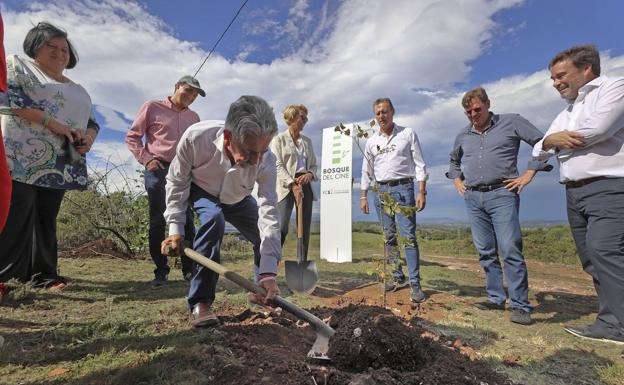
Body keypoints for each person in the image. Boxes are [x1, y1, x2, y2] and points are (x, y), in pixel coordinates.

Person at [161, 95, 281, 327]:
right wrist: (175, 227)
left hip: (238, 198)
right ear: (228, 137)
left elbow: (269, 211)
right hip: (203, 190)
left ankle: (261, 291)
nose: (257, 161)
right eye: (250, 151)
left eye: (263, 152)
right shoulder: (196, 138)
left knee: (267, 233)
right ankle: (200, 302)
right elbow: (177, 181)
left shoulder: (266, 160)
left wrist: (269, 272)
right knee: (213, 219)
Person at [533, 45, 624, 343]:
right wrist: (551, 140)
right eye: (553, 78)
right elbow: (538, 151)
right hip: (574, 192)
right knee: (591, 258)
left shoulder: (614, 88)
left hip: (608, 187)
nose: (556, 83)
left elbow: (596, 130)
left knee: (605, 251)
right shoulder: (567, 111)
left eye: (561, 75)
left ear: (586, 69)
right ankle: (611, 323)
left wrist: (553, 142)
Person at [0, 22, 99, 290]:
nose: (59, 52)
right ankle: (6, 277)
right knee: (15, 214)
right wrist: (55, 125)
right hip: (20, 155)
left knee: (46, 217)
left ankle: (44, 275)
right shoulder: (17, 64)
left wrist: (87, 139)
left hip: (61, 162)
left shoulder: (78, 89)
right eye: (50, 46)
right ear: (35, 47)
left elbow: (92, 122)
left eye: (64, 48)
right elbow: (12, 101)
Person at [446, 87, 550, 325]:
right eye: (468, 112)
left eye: (477, 109)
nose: (473, 115)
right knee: (485, 251)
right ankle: (495, 298)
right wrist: (457, 180)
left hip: (503, 193)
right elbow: (453, 160)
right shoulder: (463, 134)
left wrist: (530, 173)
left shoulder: (511, 122)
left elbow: (542, 142)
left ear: (488, 104)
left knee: (510, 248)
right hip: (473, 197)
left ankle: (520, 305)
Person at [126, 76, 204, 286]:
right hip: (158, 169)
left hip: (184, 172)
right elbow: (133, 136)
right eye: (188, 91)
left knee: (186, 219)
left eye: (195, 95)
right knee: (158, 220)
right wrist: (146, 159)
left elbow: (196, 147)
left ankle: (189, 270)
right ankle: (161, 271)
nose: (191, 97)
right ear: (177, 87)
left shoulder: (194, 117)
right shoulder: (152, 107)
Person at [360, 98, 428, 303]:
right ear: (375, 116)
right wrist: (363, 195)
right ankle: (397, 277)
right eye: (378, 113)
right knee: (388, 237)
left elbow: (419, 164)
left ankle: (415, 285)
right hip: (380, 191)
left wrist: (422, 191)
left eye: (385, 112)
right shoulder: (371, 141)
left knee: (408, 237)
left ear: (393, 112)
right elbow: (366, 170)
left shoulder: (407, 134)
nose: (382, 116)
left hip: (404, 189)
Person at [271, 104, 317, 259]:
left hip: (306, 185)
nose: (305, 121)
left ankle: (301, 265)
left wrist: (310, 174)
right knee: (282, 227)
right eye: (302, 117)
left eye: (306, 118)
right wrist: (292, 185)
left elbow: (314, 166)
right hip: (286, 186)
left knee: (304, 228)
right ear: (291, 118)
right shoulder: (279, 140)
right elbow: (277, 165)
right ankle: (272, 264)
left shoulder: (307, 141)